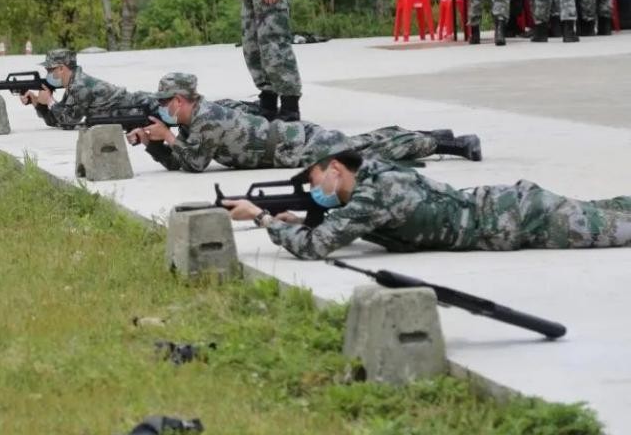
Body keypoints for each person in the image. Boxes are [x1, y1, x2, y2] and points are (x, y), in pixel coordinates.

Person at [221, 135, 631, 259]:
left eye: (313, 178)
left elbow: (315, 248)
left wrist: (262, 218)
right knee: (613, 210)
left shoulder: (370, 195)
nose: (312, 189)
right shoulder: (374, 176)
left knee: (621, 229)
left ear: (335, 169)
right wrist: (290, 221)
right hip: (509, 208)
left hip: (520, 218)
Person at [127, 73, 481, 173]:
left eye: (164, 103)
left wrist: (167, 138)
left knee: (370, 147)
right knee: (367, 142)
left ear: (179, 101)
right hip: (288, 145)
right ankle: (435, 136)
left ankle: (452, 144)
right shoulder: (192, 122)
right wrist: (154, 142)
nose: (162, 109)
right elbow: (178, 162)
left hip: (296, 144)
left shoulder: (207, 120)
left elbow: (193, 163)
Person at [20, 49, 157, 129]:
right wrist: (38, 103)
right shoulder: (72, 85)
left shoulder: (80, 86)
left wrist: (50, 101)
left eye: (50, 69)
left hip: (140, 106)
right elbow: (56, 120)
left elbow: (70, 121)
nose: (48, 74)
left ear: (62, 68)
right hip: (130, 112)